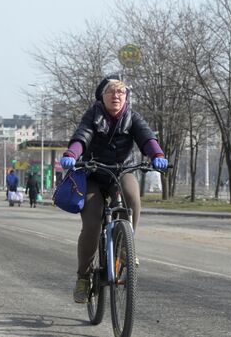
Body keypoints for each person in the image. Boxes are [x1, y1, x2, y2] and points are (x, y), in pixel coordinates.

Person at [60, 75, 169, 303]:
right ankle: (83, 277)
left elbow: (146, 137)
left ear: (126, 96)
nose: (116, 96)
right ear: (102, 96)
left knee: (132, 198)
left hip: (121, 171)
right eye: (111, 92)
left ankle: (124, 248)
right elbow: (82, 136)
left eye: (121, 92)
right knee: (91, 223)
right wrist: (72, 154)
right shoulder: (93, 115)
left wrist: (157, 154)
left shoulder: (132, 117)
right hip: (92, 173)